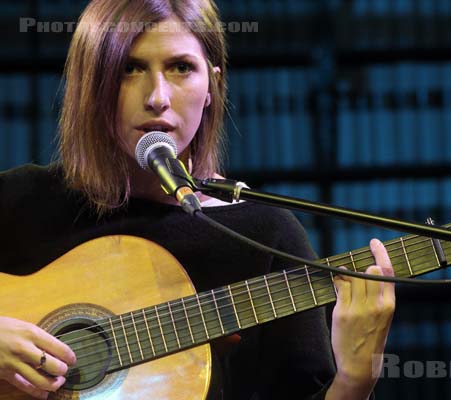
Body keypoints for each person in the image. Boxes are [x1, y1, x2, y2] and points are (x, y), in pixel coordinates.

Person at [0, 1, 396, 399]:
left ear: (212, 86)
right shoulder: (18, 202)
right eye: (130, 68)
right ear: (92, 85)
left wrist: (355, 381)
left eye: (181, 68)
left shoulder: (264, 236)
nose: (157, 96)